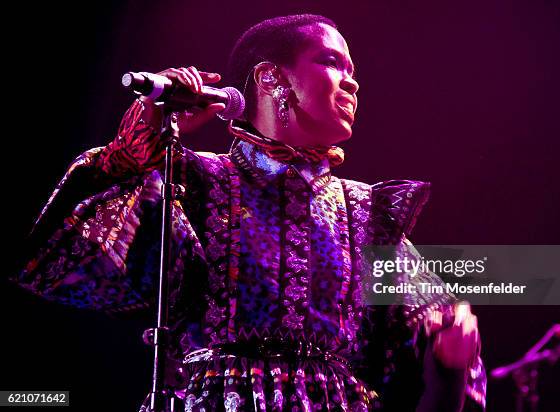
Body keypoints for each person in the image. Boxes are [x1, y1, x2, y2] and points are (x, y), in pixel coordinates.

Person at [12, 14, 486, 411]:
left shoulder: (369, 214)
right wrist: (130, 156)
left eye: (352, 68)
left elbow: (441, 352)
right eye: (331, 62)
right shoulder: (192, 181)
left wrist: (448, 357)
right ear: (269, 77)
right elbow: (57, 262)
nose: (352, 80)